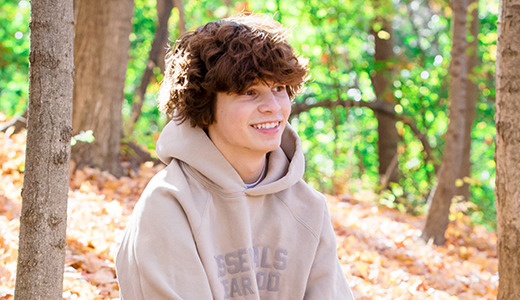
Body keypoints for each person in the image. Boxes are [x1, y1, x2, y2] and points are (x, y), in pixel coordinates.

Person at [116, 13, 355, 300]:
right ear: (204, 105)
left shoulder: (308, 208)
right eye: (249, 92)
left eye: (278, 89)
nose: (273, 107)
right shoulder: (170, 204)